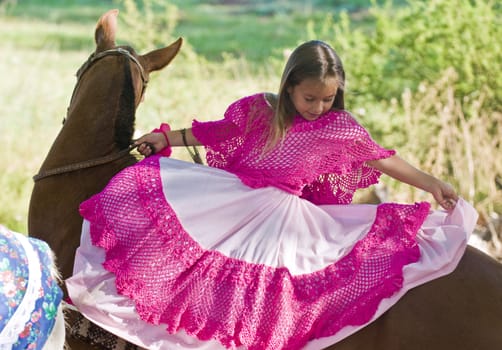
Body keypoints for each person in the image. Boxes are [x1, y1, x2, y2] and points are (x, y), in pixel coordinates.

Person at [66, 40, 477, 349]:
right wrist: (164, 137)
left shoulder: (339, 128)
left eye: (328, 98)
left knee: (255, 300)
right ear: (289, 87)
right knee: (176, 263)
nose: (318, 106)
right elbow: (213, 131)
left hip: (280, 221)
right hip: (228, 200)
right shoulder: (261, 110)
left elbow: (384, 160)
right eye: (310, 98)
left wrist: (431, 183)